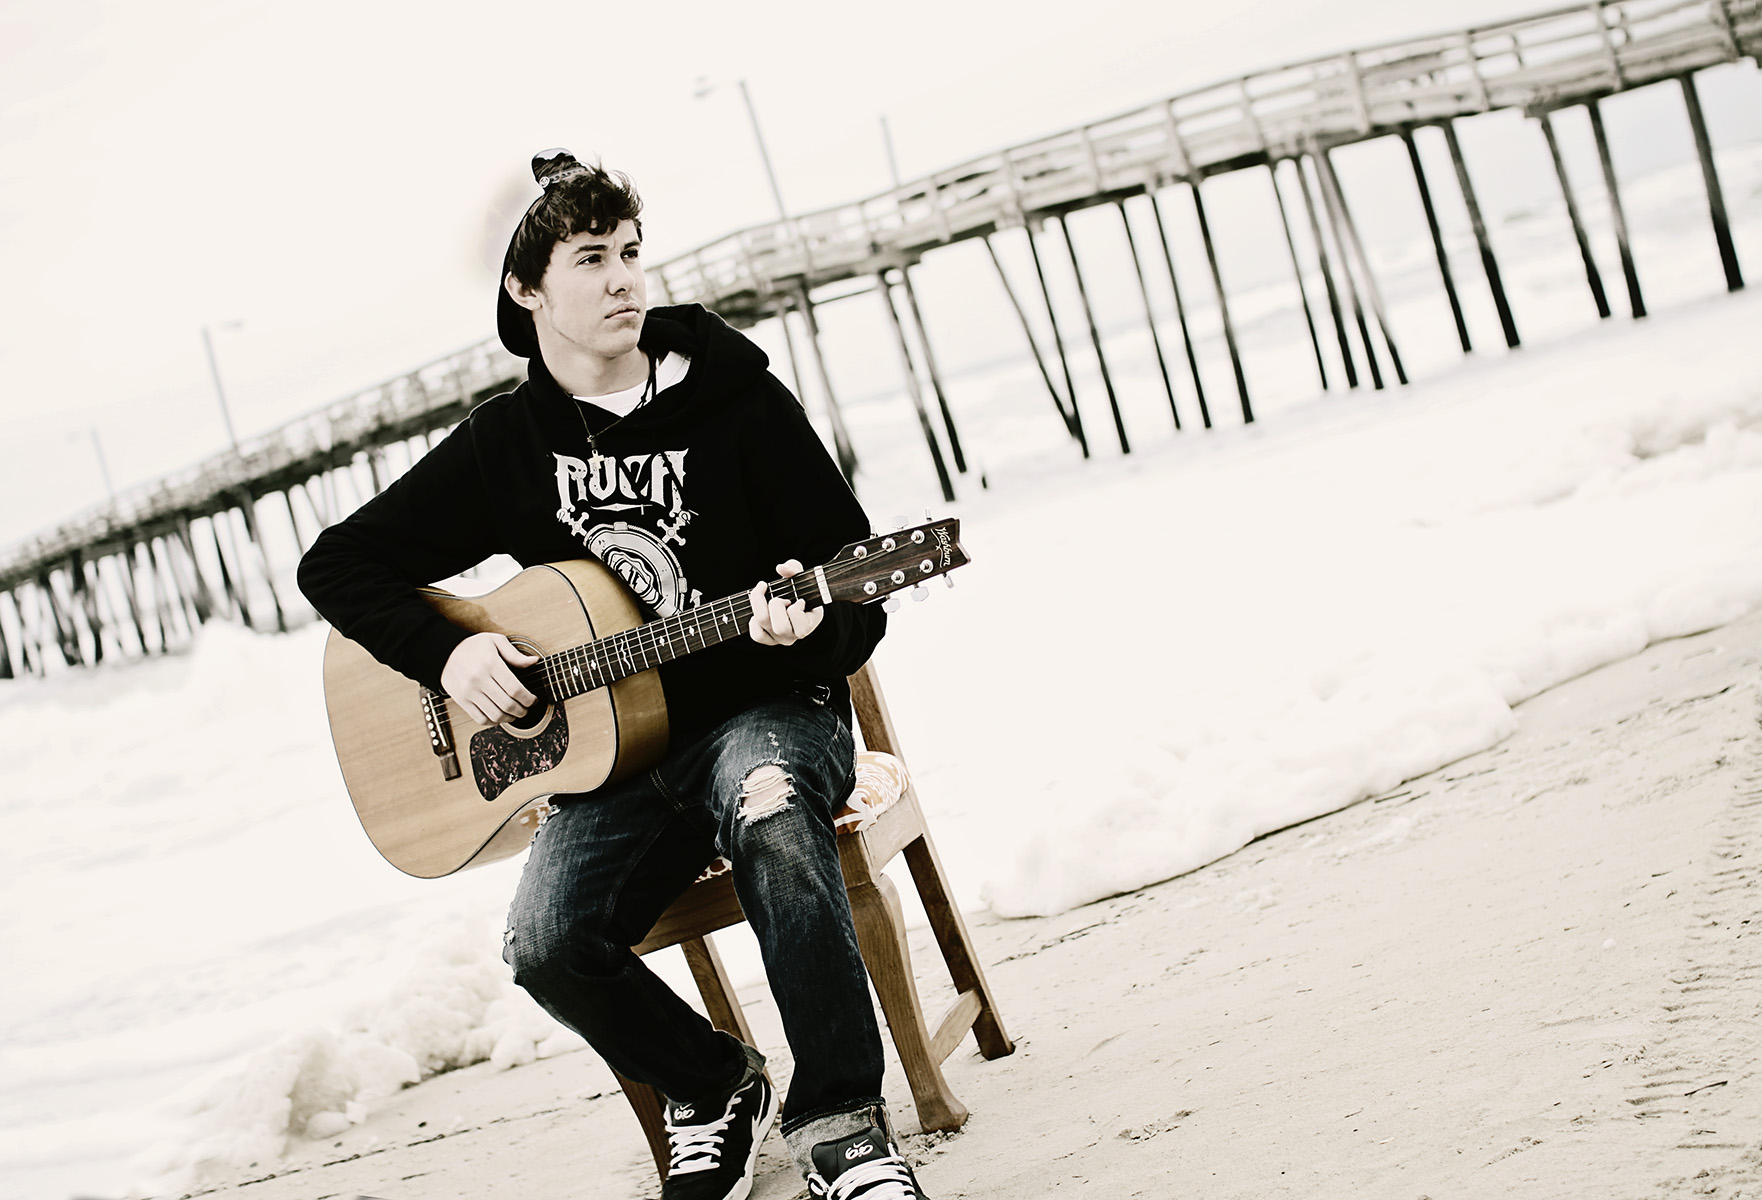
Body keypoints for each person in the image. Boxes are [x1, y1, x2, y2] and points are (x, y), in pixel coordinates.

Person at [298, 150, 931, 1200]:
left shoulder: (738, 403)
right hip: (613, 764)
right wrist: (452, 653)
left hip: (762, 715)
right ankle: (713, 1083)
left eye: (632, 252)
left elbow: (855, 594)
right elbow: (337, 565)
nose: (625, 278)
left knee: (773, 817)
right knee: (544, 945)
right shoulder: (504, 445)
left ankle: (841, 1131)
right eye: (591, 258)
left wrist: (798, 634)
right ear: (527, 288)